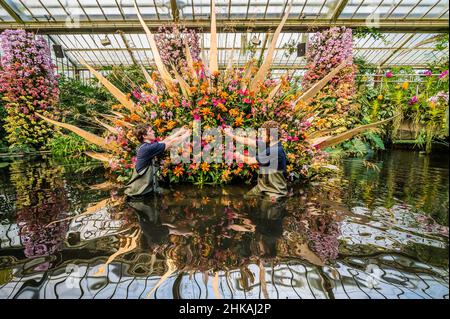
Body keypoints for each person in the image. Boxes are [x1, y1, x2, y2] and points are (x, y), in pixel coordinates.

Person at [224, 120, 288, 199]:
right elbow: (248, 141)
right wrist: (231, 135)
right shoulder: (269, 144)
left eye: (263, 135)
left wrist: (238, 155)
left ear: (271, 137)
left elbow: (249, 161)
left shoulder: (274, 151)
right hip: (263, 187)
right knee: (246, 198)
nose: (261, 136)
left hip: (274, 192)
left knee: (265, 209)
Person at [124, 124, 190, 199]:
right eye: (150, 131)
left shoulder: (143, 146)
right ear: (144, 136)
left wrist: (179, 132)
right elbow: (170, 143)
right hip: (138, 194)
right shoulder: (148, 148)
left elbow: (165, 141)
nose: (154, 132)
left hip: (145, 189)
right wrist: (185, 135)